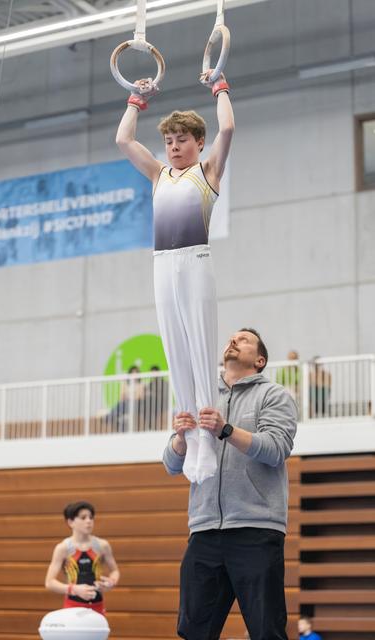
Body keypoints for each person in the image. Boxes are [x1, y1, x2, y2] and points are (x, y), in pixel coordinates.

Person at [116, 70, 234, 485]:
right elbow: (124, 141)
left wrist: (219, 86)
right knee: (174, 345)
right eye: (168, 141)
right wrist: (135, 99)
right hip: (162, 264)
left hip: (195, 259)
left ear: (198, 143)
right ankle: (191, 434)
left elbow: (229, 126)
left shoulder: (209, 172)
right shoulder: (157, 175)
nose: (173, 147)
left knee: (200, 344)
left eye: (181, 140)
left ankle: (208, 429)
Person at [163, 328, 298, 640]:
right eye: (232, 337)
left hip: (256, 530)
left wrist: (225, 429)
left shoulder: (273, 395)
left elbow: (276, 448)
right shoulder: (201, 398)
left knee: (267, 631)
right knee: (194, 631)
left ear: (260, 360)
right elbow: (171, 465)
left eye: (245, 339)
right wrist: (181, 439)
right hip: (204, 530)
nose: (234, 340)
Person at [45, 501, 120, 615]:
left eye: (91, 517)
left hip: (97, 606)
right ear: (71, 522)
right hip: (73, 606)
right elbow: (49, 582)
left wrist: (111, 582)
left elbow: (115, 571)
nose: (89, 521)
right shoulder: (63, 548)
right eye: (83, 518)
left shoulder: (102, 545)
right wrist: (74, 589)